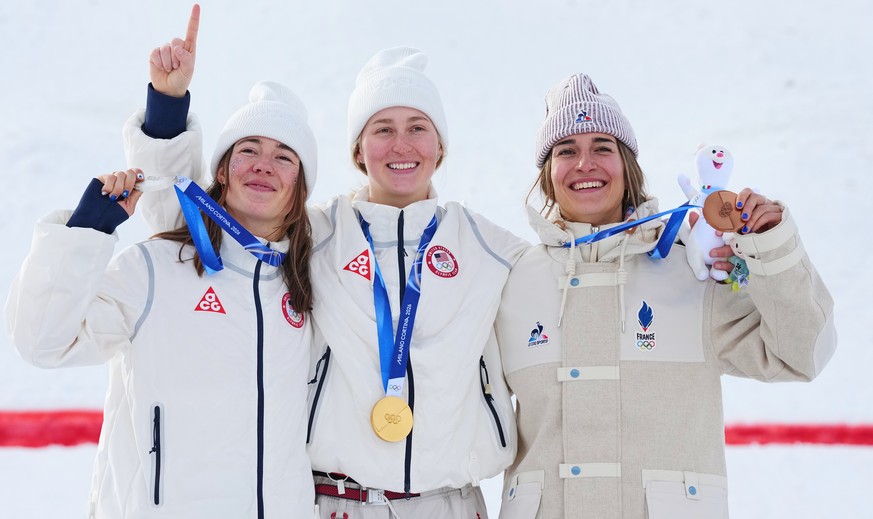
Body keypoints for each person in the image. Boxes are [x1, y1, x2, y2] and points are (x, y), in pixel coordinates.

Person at [123, 8, 529, 517]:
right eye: (382, 128)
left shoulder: (487, 246)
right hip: (337, 503)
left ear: (441, 147)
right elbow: (197, 223)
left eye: (417, 127)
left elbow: (573, 265)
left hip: (450, 504)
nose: (400, 145)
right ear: (358, 150)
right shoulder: (314, 236)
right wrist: (167, 107)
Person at [493, 73, 837, 519]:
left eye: (603, 146)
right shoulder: (513, 281)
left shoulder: (692, 269)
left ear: (628, 167)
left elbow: (802, 354)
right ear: (547, 174)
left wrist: (769, 248)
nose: (585, 163)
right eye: (566, 150)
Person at [4, 44, 321, 519]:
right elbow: (44, 342)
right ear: (221, 171)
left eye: (284, 157)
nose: (262, 165)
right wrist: (87, 232)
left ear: (301, 186)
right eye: (248, 150)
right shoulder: (156, 268)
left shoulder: (312, 283)